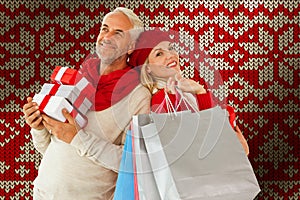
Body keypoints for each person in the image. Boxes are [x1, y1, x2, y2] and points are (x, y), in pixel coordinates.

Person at [23, 7, 151, 199]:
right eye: (104, 29)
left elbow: (132, 163)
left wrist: (77, 138)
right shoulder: (78, 79)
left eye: (118, 33)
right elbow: (51, 147)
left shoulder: (137, 95)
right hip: (44, 193)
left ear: (131, 46)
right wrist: (39, 127)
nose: (107, 37)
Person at [129, 29, 249, 155]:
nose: (170, 55)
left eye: (171, 48)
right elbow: (200, 140)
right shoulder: (161, 99)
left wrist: (200, 92)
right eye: (159, 54)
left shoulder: (187, 90)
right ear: (148, 68)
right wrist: (199, 94)